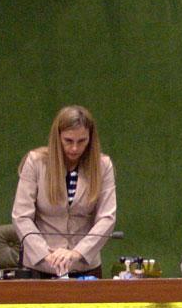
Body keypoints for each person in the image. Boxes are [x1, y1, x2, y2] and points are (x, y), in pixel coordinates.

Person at [12, 105, 116, 278]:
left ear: (90, 139)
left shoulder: (103, 166)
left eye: (81, 141)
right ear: (57, 137)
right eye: (68, 140)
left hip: (84, 267)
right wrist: (46, 255)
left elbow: (107, 218)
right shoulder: (35, 162)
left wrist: (76, 253)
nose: (74, 148)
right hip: (41, 267)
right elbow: (21, 216)